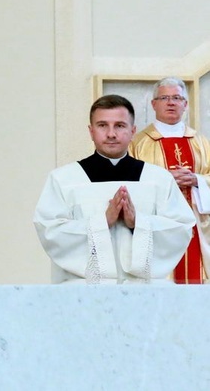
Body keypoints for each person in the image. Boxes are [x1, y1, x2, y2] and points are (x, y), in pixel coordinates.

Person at [34, 94, 194, 283]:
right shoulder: (63, 179)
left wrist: (137, 222)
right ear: (91, 131)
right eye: (102, 125)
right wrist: (102, 222)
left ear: (133, 130)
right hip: (83, 292)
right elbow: (50, 231)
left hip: (143, 292)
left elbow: (180, 229)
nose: (111, 134)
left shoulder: (158, 179)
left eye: (120, 125)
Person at [129, 77, 210, 283]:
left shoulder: (200, 141)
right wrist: (165, 180)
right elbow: (130, 182)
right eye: (164, 97)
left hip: (197, 227)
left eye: (177, 98)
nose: (171, 103)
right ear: (153, 103)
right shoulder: (138, 143)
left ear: (186, 104)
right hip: (158, 224)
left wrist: (197, 180)